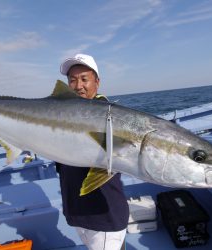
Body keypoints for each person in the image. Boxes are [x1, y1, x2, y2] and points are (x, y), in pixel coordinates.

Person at [56, 54, 129, 250]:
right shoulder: (65, 115)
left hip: (103, 217)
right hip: (78, 212)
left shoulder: (107, 116)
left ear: (97, 82)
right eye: (72, 80)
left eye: (84, 79)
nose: (78, 85)